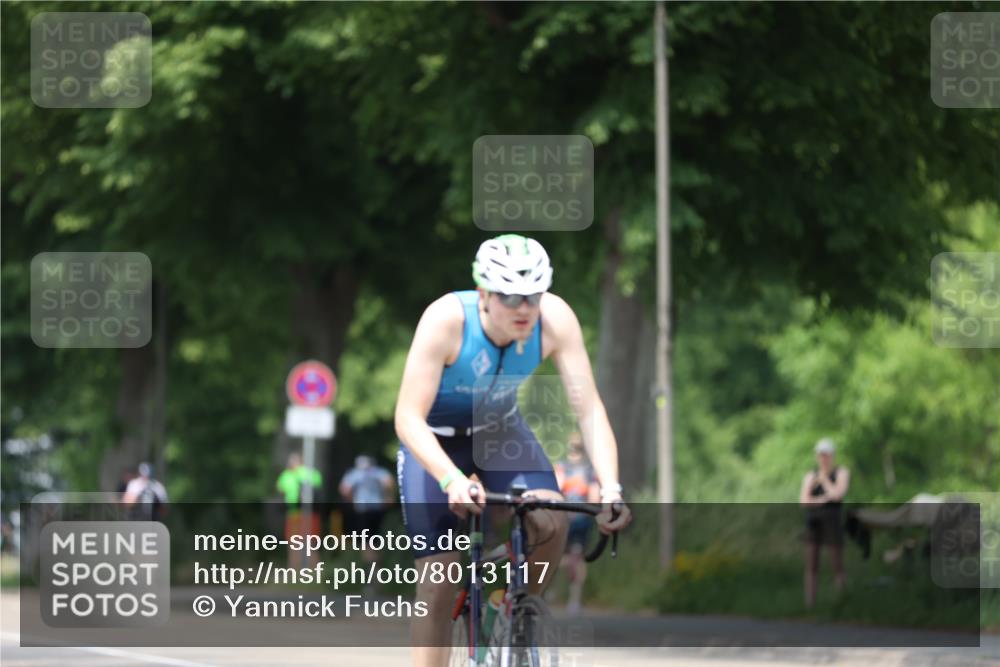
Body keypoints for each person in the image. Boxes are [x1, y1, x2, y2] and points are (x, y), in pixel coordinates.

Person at [395, 234, 632, 667]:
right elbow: (407, 417)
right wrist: (450, 479)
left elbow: (590, 411)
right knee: (436, 582)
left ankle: (512, 610)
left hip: (499, 431)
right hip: (435, 439)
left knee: (553, 518)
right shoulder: (447, 321)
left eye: (533, 296)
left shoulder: (555, 319)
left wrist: (611, 488)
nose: (524, 308)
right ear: (484, 293)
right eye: (510, 297)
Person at [799, 437, 850, 609]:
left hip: (833, 520)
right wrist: (822, 499)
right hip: (813, 520)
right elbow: (804, 500)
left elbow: (837, 495)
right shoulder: (810, 475)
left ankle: (842, 600)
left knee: (837, 562)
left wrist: (824, 480)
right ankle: (809, 604)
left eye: (827, 455)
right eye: (821, 455)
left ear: (832, 455)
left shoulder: (841, 473)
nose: (824, 458)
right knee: (811, 563)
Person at [553, 431, 600, 616]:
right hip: (581, 518)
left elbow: (555, 492)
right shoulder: (589, 470)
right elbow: (594, 498)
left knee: (559, 557)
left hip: (569, 519)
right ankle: (573, 599)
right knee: (576, 559)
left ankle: (557, 593)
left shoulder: (562, 467)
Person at [339, 454, 395, 572]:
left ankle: (372, 571)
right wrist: (387, 496)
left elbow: (344, 489)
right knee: (376, 540)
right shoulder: (378, 472)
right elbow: (389, 483)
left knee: (366, 543)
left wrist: (351, 501)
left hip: (363, 510)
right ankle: (378, 570)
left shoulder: (355, 473)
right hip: (378, 509)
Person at [276, 451, 323, 568]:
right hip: (296, 512)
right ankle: (298, 570)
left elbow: (281, 491)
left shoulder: (300, 473)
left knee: (306, 543)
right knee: (298, 542)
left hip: (306, 512)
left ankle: (305, 570)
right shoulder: (288, 474)